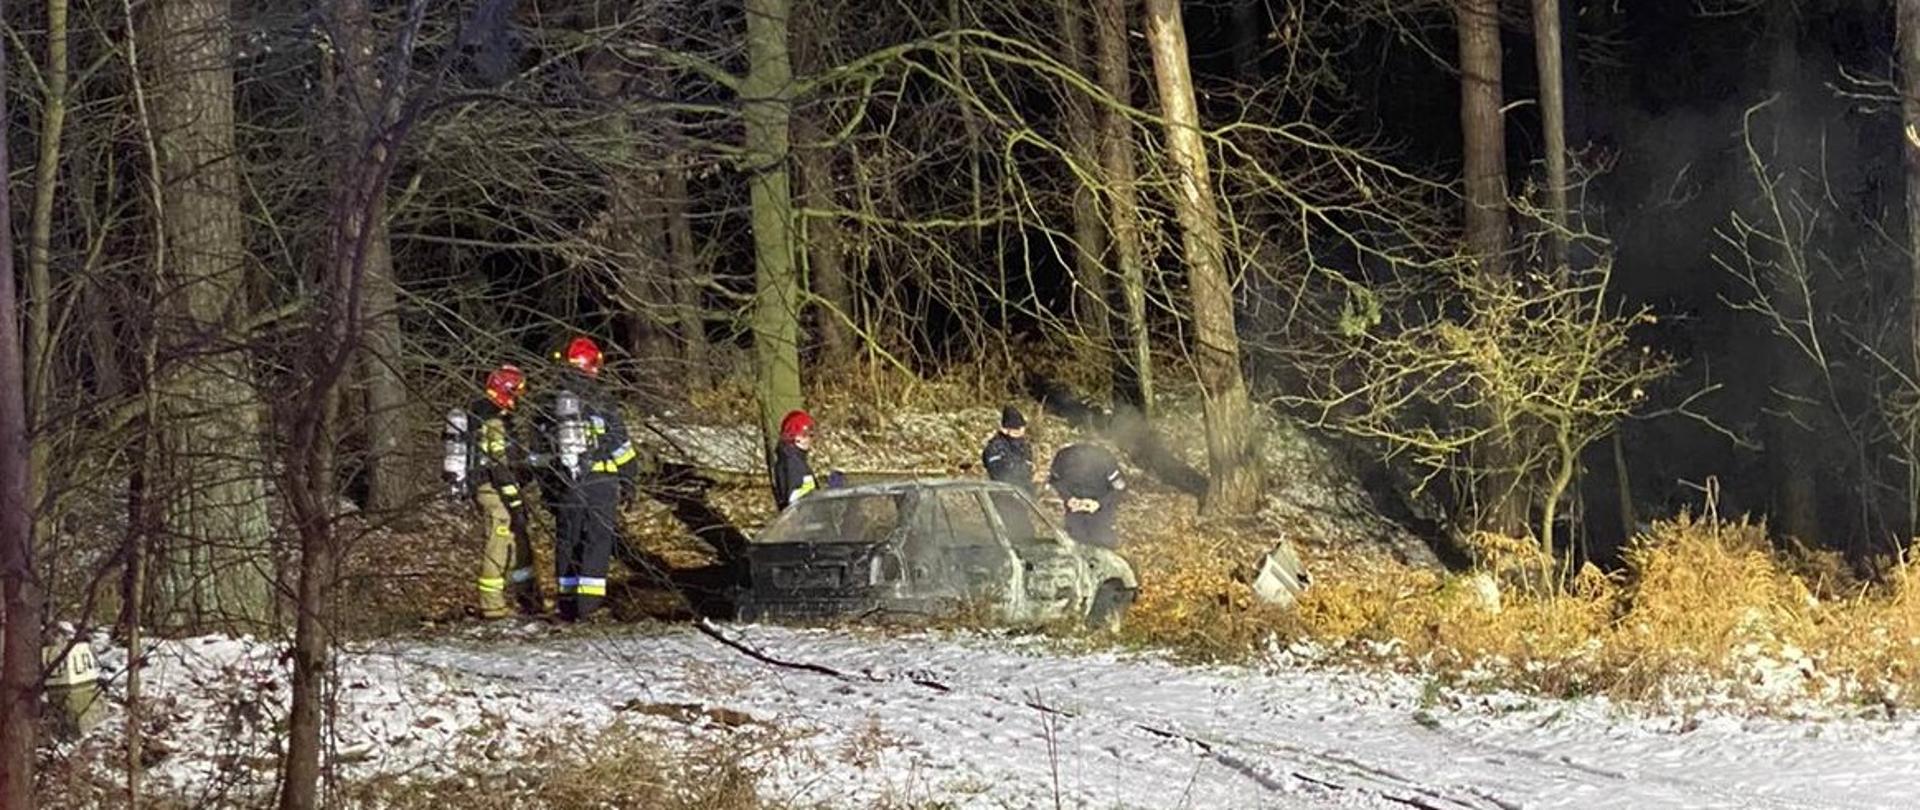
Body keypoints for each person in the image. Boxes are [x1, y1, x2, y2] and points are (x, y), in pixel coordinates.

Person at [531, 336, 641, 621]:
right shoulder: (602, 400)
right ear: (593, 366)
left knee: (567, 538)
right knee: (597, 540)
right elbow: (621, 447)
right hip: (601, 482)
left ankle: (566, 601)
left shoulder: (549, 403)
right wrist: (629, 480)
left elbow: (539, 452)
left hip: (568, 483)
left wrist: (549, 488)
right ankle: (588, 606)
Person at [443, 364, 539, 619]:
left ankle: (529, 598)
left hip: (498, 487)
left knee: (519, 540)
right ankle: (491, 604)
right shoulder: (494, 421)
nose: (520, 397)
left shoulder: (489, 415)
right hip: (494, 489)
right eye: (517, 391)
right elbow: (500, 468)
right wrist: (515, 503)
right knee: (500, 538)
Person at [1047, 441, 1127, 548]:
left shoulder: (1106, 461)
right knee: (1074, 541)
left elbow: (1120, 489)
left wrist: (1099, 504)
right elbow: (1055, 481)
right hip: (1075, 509)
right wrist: (1069, 498)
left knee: (1102, 541)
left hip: (1101, 509)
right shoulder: (1063, 458)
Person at [981, 405, 1035, 495]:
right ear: (1004, 429)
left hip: (1024, 495)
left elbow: (1028, 467)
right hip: (1003, 496)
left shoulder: (1025, 447)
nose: (1020, 434)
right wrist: (1025, 474)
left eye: (1021, 430)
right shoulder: (995, 448)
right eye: (1015, 431)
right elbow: (1001, 474)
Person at [771, 409, 820, 511]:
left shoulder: (795, 459)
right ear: (793, 437)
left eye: (811, 435)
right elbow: (795, 498)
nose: (809, 439)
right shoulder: (792, 462)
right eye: (804, 435)